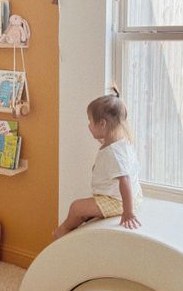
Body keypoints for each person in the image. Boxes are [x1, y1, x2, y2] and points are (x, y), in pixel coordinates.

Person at [54, 87, 142, 239]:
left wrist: (128, 212)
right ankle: (78, 225)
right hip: (125, 197)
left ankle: (63, 229)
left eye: (90, 121)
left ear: (102, 124)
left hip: (117, 201)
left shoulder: (114, 153)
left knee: (76, 207)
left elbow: (125, 180)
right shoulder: (118, 142)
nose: (89, 126)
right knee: (84, 212)